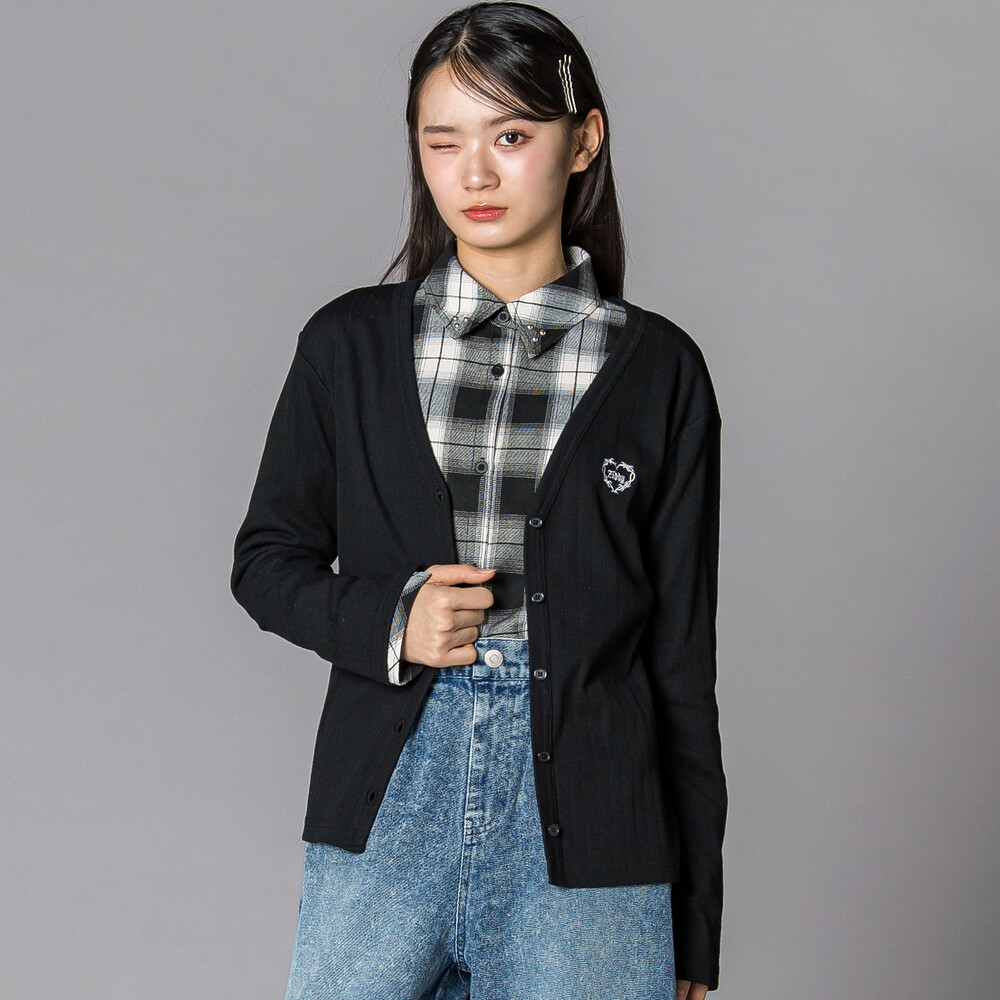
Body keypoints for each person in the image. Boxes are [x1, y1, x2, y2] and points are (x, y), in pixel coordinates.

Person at [230, 3, 727, 997]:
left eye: (511, 135)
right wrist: (392, 619)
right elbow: (267, 561)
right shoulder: (347, 346)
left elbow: (678, 660)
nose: (475, 174)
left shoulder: (659, 371)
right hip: (387, 808)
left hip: (597, 833)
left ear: (582, 140)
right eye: (442, 140)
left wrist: (694, 926)